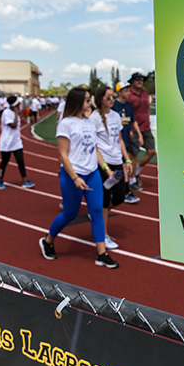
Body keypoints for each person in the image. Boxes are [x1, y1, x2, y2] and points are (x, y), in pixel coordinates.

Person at [39, 87, 118, 268]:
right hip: (72, 176)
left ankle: (101, 254)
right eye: (87, 100)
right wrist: (75, 177)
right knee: (70, 213)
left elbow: (94, 148)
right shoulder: (65, 124)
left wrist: (105, 168)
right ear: (77, 102)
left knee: (97, 211)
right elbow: (63, 155)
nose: (90, 102)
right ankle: (48, 241)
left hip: (92, 174)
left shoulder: (90, 122)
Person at [90, 86, 133, 250]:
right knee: (105, 201)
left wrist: (127, 160)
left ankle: (98, 215)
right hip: (104, 164)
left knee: (119, 198)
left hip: (117, 161)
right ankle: (104, 235)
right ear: (100, 99)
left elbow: (120, 140)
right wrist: (106, 168)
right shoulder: (93, 118)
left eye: (112, 96)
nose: (111, 99)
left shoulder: (115, 116)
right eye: (108, 97)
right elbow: (95, 146)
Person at [112, 81, 141, 204]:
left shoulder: (129, 105)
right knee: (122, 167)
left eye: (128, 90)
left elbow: (132, 120)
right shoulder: (113, 106)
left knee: (124, 166)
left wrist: (138, 134)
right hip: (116, 142)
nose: (128, 93)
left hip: (126, 141)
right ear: (119, 92)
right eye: (125, 91)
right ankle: (125, 191)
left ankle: (123, 190)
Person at [0, 96, 35, 190]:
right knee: (4, 162)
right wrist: (16, 113)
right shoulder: (7, 113)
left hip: (16, 141)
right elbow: (13, 125)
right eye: (18, 104)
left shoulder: (15, 113)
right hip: (7, 142)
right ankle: (0, 180)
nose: (20, 105)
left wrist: (16, 113)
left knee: (20, 161)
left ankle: (24, 181)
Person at [127, 72, 155, 191]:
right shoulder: (128, 94)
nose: (140, 81)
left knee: (152, 151)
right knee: (134, 155)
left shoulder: (144, 92)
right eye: (137, 79)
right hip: (134, 128)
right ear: (132, 81)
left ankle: (136, 171)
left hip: (146, 127)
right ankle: (132, 181)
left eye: (141, 79)